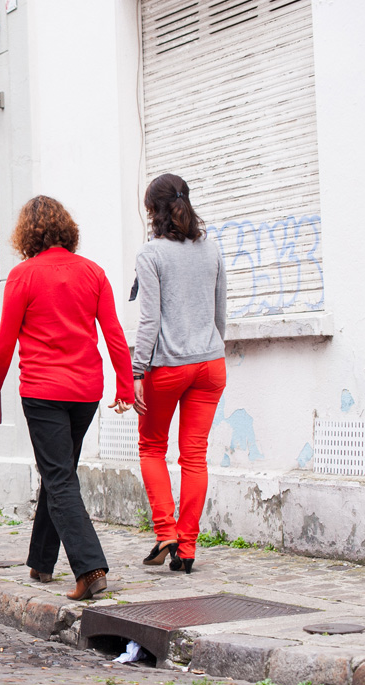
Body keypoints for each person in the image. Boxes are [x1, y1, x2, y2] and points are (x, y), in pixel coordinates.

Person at [0, 196, 134, 601]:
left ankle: (90, 568)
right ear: (67, 230)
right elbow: (114, 333)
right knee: (59, 470)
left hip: (44, 392)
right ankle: (41, 561)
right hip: (85, 391)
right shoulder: (94, 272)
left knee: (59, 477)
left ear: (26, 234)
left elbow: (3, 342)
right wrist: (125, 385)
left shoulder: (23, 275)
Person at [133, 174, 226, 575]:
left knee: (151, 447)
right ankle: (186, 549)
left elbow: (149, 319)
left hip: (168, 366)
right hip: (211, 364)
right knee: (194, 456)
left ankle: (165, 530)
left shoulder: (150, 254)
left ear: (152, 211)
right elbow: (221, 311)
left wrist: (137, 370)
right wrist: (209, 344)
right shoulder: (212, 249)